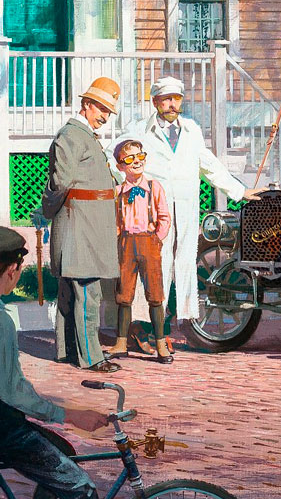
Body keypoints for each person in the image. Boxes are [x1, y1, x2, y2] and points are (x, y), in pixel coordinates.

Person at [108, 76, 262, 343]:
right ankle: (148, 328)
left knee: (184, 262)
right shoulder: (140, 130)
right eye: (165, 99)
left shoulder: (191, 130)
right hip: (154, 211)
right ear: (155, 102)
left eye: (176, 99)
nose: (171, 104)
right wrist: (132, 184)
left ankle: (176, 322)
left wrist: (238, 191)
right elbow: (113, 156)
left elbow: (208, 164)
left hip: (186, 209)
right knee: (156, 264)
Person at [0, 227, 113, 499]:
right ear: (12, 269)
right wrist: (70, 415)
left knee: (61, 449)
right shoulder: (2, 322)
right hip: (5, 432)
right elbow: (13, 392)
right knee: (84, 491)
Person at [42, 77, 122, 373]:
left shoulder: (84, 135)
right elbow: (61, 181)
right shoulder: (72, 135)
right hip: (79, 225)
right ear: (86, 105)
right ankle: (91, 357)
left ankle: (67, 351)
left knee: (71, 291)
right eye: (100, 108)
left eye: (108, 111)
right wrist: (48, 209)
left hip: (87, 223)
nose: (104, 116)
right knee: (87, 291)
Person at [107, 139, 173, 364]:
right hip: (126, 243)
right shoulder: (118, 192)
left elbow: (164, 217)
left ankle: (161, 343)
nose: (136, 161)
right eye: (129, 159)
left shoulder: (154, 187)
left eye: (140, 156)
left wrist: (156, 239)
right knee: (124, 294)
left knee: (155, 294)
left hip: (148, 242)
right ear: (120, 166)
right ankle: (121, 342)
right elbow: (115, 221)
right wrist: (118, 238)